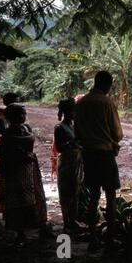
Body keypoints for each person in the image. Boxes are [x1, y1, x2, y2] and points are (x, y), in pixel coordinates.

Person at [74, 71, 123, 252]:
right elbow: (117, 132)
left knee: (93, 197)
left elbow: (77, 130)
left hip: (88, 154)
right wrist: (113, 141)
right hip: (105, 154)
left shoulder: (82, 103)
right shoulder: (106, 102)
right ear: (107, 84)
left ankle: (93, 238)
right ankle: (110, 239)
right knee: (111, 196)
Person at [0, 104, 50, 245]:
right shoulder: (8, 134)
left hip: (28, 167)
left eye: (23, 114)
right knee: (18, 199)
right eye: (19, 114)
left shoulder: (23, 129)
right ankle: (20, 232)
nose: (22, 117)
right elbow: (5, 153)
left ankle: (39, 226)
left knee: (35, 196)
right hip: (15, 170)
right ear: (10, 117)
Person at [54, 97, 83, 234]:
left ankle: (73, 220)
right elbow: (60, 148)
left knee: (75, 192)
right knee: (66, 193)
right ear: (68, 111)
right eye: (74, 110)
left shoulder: (74, 125)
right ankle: (67, 223)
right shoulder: (60, 127)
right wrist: (74, 142)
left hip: (76, 162)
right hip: (66, 163)